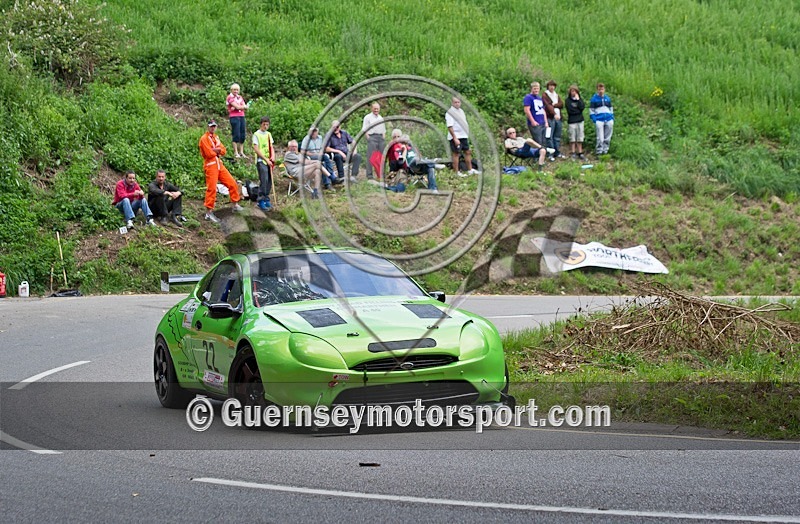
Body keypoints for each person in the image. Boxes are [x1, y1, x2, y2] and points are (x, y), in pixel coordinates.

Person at [199, 120, 243, 223]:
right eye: (211, 126)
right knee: (212, 188)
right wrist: (216, 150)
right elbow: (209, 153)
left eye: (214, 126)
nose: (213, 128)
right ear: (208, 127)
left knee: (232, 183)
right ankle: (209, 212)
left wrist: (216, 150)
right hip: (210, 165)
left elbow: (223, 150)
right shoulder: (204, 139)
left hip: (219, 164)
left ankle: (235, 204)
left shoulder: (216, 137)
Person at [446, 96, 479, 177]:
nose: (457, 104)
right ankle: (456, 172)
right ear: (452, 103)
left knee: (467, 152)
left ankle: (470, 169)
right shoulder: (450, 113)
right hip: (456, 136)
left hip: (463, 135)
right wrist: (455, 138)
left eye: (458, 102)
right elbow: (450, 126)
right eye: (455, 102)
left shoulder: (461, 111)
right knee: (456, 153)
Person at [252, 116, 275, 211]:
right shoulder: (256, 135)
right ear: (261, 124)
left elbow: (271, 146)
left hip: (269, 160)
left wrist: (273, 156)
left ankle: (266, 198)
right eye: (264, 124)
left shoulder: (269, 134)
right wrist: (266, 159)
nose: (265, 126)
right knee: (264, 180)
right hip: (261, 161)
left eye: (267, 124)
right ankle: (260, 200)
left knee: (269, 180)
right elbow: (256, 149)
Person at [361, 102, 385, 180]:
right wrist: (368, 137)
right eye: (374, 108)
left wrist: (383, 137)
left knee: (380, 157)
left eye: (377, 109)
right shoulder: (367, 117)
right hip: (372, 137)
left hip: (380, 138)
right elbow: (364, 129)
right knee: (371, 157)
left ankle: (380, 174)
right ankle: (369, 175)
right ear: (371, 108)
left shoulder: (380, 118)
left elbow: (383, 129)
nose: (376, 110)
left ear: (379, 109)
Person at [542, 80, 565, 160]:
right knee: (549, 136)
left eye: (553, 86)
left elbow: (561, 104)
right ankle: (550, 153)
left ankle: (557, 152)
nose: (552, 87)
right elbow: (548, 106)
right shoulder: (545, 95)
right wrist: (554, 114)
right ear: (548, 86)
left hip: (559, 117)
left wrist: (555, 105)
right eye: (550, 85)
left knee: (557, 136)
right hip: (550, 118)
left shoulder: (556, 95)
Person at [589, 82, 614, 155]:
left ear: (604, 90)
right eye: (599, 89)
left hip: (608, 118)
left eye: (602, 89)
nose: (601, 91)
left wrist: (612, 117)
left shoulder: (607, 98)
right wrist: (594, 119)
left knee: (608, 135)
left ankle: (605, 150)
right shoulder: (594, 99)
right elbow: (591, 110)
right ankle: (599, 151)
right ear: (597, 90)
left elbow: (610, 108)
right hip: (599, 119)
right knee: (600, 137)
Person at [523, 82, 549, 152]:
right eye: (534, 88)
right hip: (535, 123)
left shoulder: (539, 98)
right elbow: (527, 110)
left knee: (544, 141)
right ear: (531, 89)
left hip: (542, 122)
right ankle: (536, 157)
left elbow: (543, 111)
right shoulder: (528, 97)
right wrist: (532, 121)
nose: (536, 90)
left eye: (537, 89)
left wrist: (546, 122)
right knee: (538, 141)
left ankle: (542, 156)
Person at [226, 83, 248, 158]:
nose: (236, 91)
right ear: (231, 90)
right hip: (234, 117)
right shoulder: (230, 97)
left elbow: (243, 106)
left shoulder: (240, 97)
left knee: (242, 134)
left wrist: (241, 107)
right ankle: (236, 152)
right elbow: (238, 106)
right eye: (234, 89)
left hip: (242, 116)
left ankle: (241, 152)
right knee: (236, 134)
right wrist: (242, 107)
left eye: (237, 90)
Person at [565, 84, 586, 160]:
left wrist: (578, 100)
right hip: (572, 121)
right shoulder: (568, 101)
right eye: (572, 91)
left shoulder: (579, 99)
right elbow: (570, 111)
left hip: (580, 120)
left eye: (575, 91)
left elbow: (582, 107)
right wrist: (577, 110)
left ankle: (580, 152)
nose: (573, 93)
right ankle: (573, 152)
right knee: (572, 137)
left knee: (580, 137)